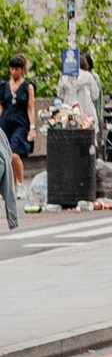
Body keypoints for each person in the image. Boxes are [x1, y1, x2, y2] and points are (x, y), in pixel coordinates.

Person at [0, 53, 31, 229]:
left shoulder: (27, 87)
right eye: (11, 69)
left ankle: (19, 184)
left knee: (14, 155)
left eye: (16, 69)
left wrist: (32, 128)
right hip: (5, 123)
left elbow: (30, 108)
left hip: (20, 124)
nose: (13, 72)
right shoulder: (4, 86)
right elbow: (1, 106)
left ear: (21, 70)